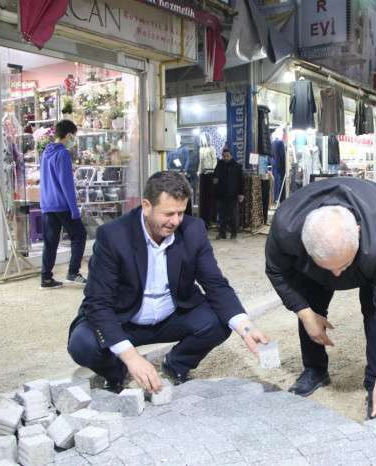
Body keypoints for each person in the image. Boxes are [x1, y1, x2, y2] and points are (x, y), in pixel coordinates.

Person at [68, 171, 268, 394]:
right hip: (123, 318)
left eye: (181, 213)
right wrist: (131, 357)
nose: (176, 221)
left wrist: (246, 328)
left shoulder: (193, 230)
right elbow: (98, 302)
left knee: (223, 320)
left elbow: (215, 283)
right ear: (146, 206)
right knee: (82, 344)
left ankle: (176, 365)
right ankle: (116, 373)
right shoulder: (113, 236)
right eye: (168, 213)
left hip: (172, 316)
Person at [265, 177, 376, 425]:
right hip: (323, 248)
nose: (336, 276)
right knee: (309, 295)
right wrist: (305, 313)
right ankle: (314, 369)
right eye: (328, 268)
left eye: (343, 266)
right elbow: (276, 271)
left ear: (358, 232)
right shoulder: (286, 228)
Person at [40, 119, 87, 289]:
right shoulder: (63, 154)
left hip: (47, 204)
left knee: (50, 242)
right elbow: (66, 184)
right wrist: (74, 209)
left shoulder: (45, 153)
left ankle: (46, 278)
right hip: (62, 204)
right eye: (74, 135)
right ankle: (73, 273)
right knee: (80, 235)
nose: (74, 139)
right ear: (68, 135)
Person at [213, 148, 244, 239]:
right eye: (224, 156)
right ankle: (222, 233)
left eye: (227, 156)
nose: (225, 158)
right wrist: (215, 180)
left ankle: (234, 233)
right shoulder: (219, 165)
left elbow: (241, 181)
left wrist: (241, 193)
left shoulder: (237, 166)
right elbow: (215, 177)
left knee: (233, 215)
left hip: (233, 195)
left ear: (231, 156)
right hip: (221, 194)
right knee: (221, 215)